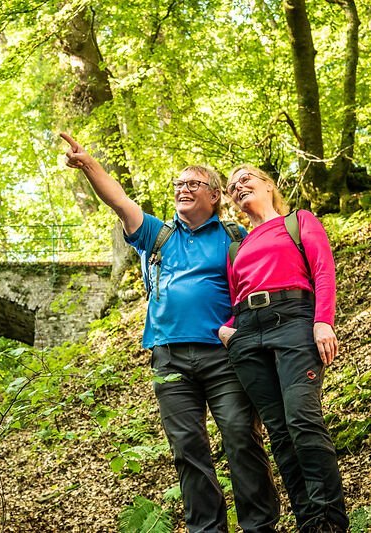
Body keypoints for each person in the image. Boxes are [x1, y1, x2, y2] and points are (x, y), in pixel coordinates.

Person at [61, 133, 279, 532]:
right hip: (169, 357)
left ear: (214, 195)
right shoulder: (156, 233)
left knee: (240, 438)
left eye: (193, 183)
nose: (182, 189)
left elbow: (267, 274)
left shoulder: (235, 237)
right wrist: (90, 165)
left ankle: (260, 526)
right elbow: (119, 200)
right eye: (178, 184)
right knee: (188, 449)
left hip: (225, 355)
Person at [218, 164, 348, 533]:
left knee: (302, 419)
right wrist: (228, 331)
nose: (238, 186)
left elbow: (322, 269)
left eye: (246, 179)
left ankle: (330, 523)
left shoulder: (299, 221)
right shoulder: (236, 246)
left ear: (268, 186)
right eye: (231, 186)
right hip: (247, 335)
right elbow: (234, 297)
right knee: (278, 431)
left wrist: (323, 320)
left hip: (294, 321)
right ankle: (310, 523)